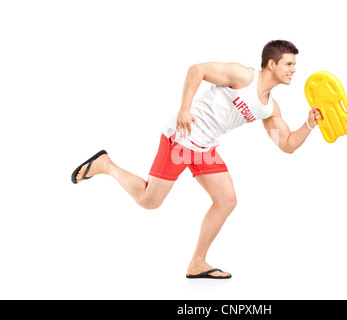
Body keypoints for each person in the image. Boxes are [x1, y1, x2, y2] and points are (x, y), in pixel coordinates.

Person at [71, 40, 323, 279]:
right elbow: (197, 70)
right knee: (149, 200)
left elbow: (286, 143)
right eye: (289, 64)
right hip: (182, 138)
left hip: (204, 147)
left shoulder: (269, 110)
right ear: (271, 64)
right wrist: (184, 109)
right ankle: (106, 165)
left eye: (294, 64)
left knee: (226, 200)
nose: (294, 69)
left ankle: (197, 263)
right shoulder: (243, 76)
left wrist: (309, 124)